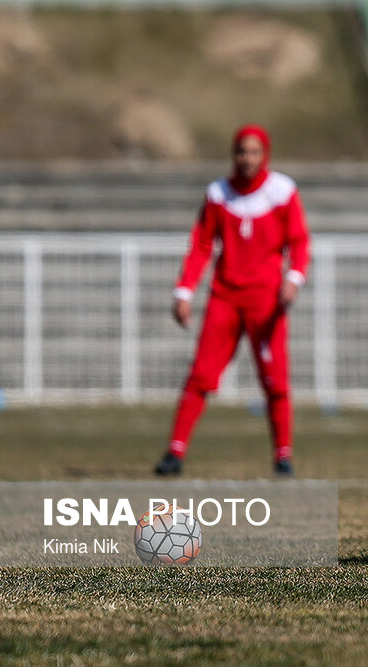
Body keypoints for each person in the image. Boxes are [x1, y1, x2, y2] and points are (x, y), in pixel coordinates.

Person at [154, 124, 311, 477]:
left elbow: (299, 242)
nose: (247, 158)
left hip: (266, 301)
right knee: (200, 376)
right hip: (224, 298)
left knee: (276, 381)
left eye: (254, 151)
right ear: (233, 154)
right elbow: (202, 245)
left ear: (264, 154)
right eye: (242, 151)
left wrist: (294, 278)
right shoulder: (218, 194)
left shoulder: (282, 191)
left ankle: (283, 456)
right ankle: (174, 453)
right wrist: (184, 291)